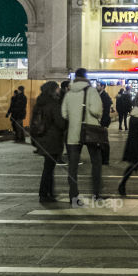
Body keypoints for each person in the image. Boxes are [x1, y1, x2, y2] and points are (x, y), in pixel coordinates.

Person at [61, 68, 105, 206]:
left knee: (73, 166)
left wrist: (74, 118)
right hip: (90, 131)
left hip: (74, 133)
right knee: (96, 163)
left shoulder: (69, 93)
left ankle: (73, 196)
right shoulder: (91, 91)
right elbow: (97, 110)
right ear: (86, 77)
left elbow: (64, 114)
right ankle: (96, 194)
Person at [30, 80, 66, 203]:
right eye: (57, 88)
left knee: (48, 167)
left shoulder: (39, 103)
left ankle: (48, 193)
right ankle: (44, 194)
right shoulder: (53, 104)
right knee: (48, 169)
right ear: (52, 90)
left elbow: (33, 122)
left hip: (43, 139)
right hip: (52, 139)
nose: (59, 90)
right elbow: (60, 123)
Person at [97, 83, 113, 164]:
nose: (97, 86)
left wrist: (104, 123)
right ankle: (103, 158)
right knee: (101, 140)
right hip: (101, 121)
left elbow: (106, 111)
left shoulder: (104, 96)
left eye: (98, 85)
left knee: (104, 141)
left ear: (103, 86)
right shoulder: (101, 95)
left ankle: (105, 159)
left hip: (103, 121)